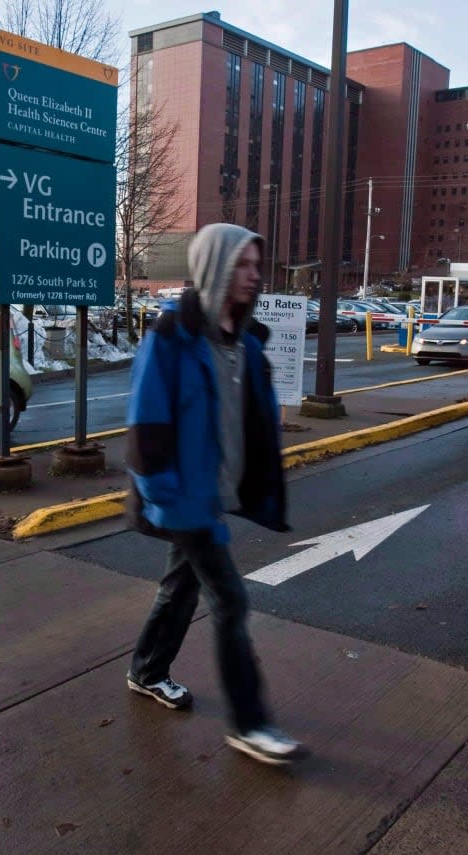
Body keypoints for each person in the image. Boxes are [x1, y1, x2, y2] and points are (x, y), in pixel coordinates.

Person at [124, 223, 305, 766]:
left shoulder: (245, 343)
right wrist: (167, 499)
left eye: (256, 264)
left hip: (211, 494)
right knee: (231, 602)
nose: (254, 275)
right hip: (183, 500)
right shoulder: (172, 339)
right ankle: (250, 725)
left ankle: (146, 670)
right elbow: (146, 431)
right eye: (243, 265)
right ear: (215, 269)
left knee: (179, 588)